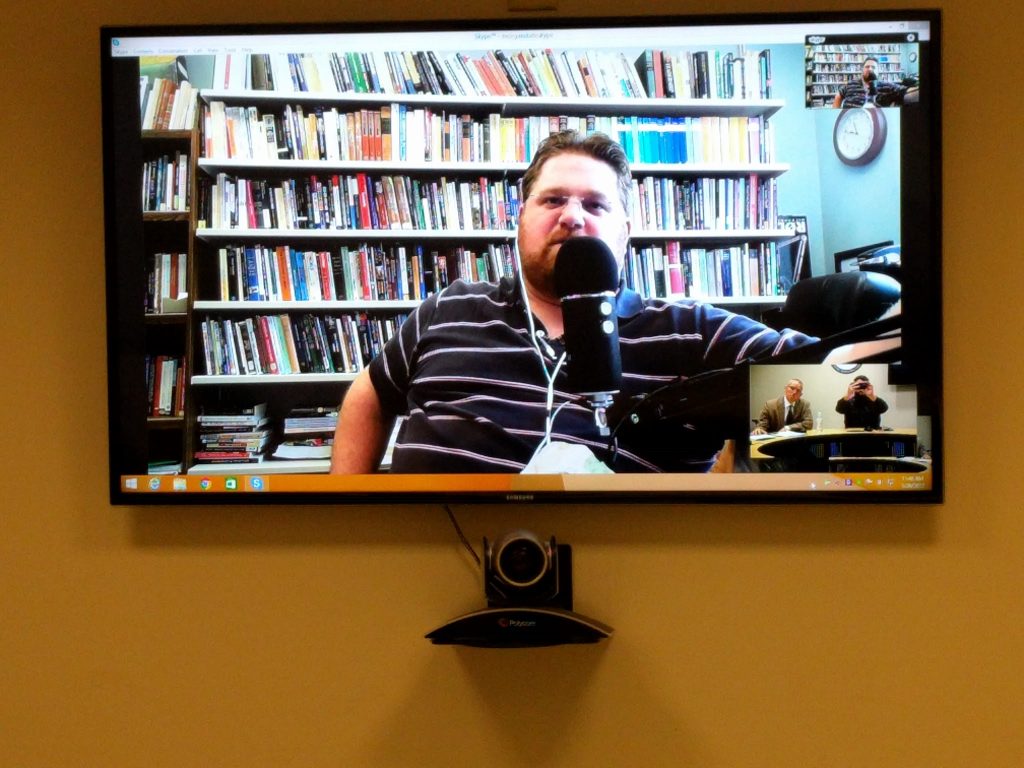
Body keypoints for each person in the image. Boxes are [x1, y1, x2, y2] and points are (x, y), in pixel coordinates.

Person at [330, 130, 816, 474]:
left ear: (626, 233)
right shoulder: (446, 311)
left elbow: (832, 390)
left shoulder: (692, 332)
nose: (572, 217)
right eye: (553, 200)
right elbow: (370, 393)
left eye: (596, 204)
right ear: (520, 220)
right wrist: (346, 518)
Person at [832, 57, 910, 108]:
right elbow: (839, 95)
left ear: (878, 71)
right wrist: (835, 113)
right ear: (862, 70)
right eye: (867, 67)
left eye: (873, 67)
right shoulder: (851, 84)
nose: (870, 69)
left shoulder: (887, 86)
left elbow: (905, 91)